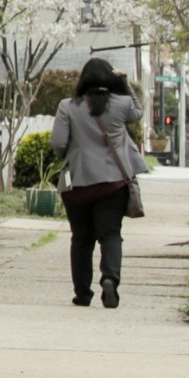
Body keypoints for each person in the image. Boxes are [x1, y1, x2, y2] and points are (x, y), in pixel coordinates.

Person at [54, 56, 146, 309]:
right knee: (110, 234)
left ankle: (82, 293)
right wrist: (125, 84)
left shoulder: (67, 106)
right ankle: (110, 279)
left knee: (81, 238)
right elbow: (138, 113)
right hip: (113, 183)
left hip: (78, 183)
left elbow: (58, 143)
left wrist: (74, 155)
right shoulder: (122, 104)